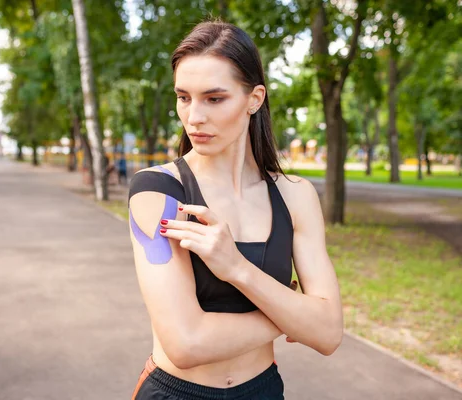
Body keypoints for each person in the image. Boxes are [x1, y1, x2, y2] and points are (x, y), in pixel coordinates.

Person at [128, 20, 343, 400]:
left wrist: (237, 269)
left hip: (263, 390)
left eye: (214, 98)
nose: (194, 117)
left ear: (254, 99)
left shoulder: (295, 196)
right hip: (176, 393)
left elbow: (328, 336)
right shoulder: (157, 191)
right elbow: (185, 343)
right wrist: (290, 314)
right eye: (183, 97)